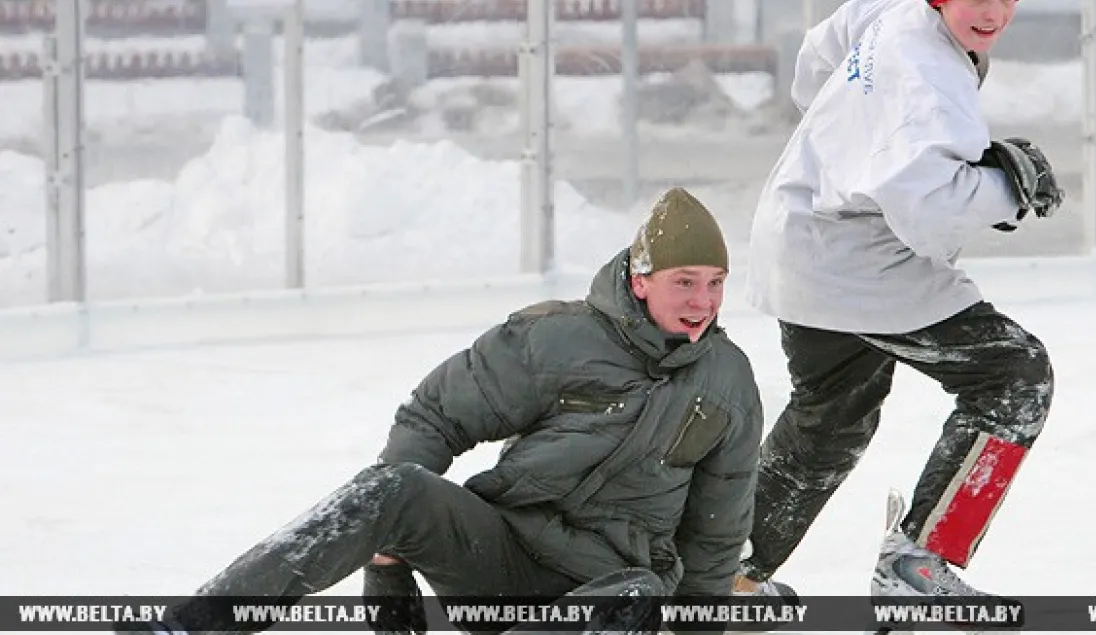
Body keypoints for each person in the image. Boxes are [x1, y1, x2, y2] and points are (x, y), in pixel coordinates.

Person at [119, 187, 765, 635]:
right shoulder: (558, 340)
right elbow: (435, 414)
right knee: (393, 488)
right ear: (642, 277)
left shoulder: (728, 383)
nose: (702, 300)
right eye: (685, 280)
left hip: (605, 588)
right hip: (502, 554)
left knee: (640, 598)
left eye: (715, 282)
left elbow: (712, 543)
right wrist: (387, 562)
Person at [735, 0, 1063, 608]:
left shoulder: (893, 10)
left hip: (798, 236)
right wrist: (1012, 189)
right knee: (1014, 376)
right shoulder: (928, 74)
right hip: (861, 264)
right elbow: (928, 210)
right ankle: (920, 562)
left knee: (828, 423)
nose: (992, 13)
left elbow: (814, 63)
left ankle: (723, 575)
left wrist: (853, 136)